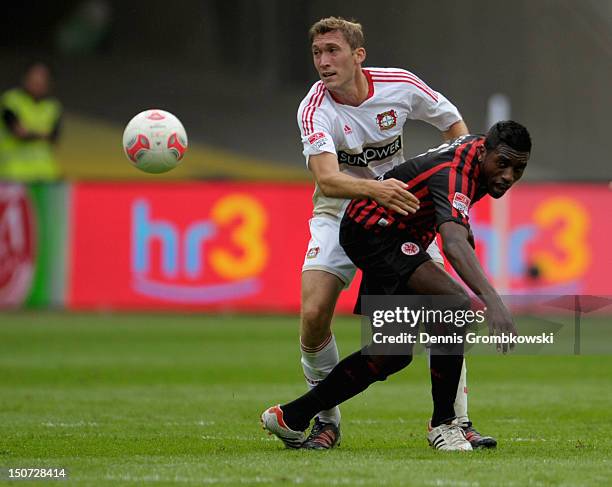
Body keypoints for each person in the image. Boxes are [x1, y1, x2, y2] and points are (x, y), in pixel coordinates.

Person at [262, 120, 532, 451]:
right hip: (374, 231)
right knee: (454, 304)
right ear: (484, 153)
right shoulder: (456, 172)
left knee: (392, 353)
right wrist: (494, 302)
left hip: (394, 233)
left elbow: (453, 223)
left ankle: (291, 416)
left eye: (518, 168)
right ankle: (445, 424)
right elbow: (453, 242)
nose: (508, 175)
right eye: (502, 164)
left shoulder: (477, 155)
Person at [292, 16, 493, 449]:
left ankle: (455, 422)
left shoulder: (399, 84)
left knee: (449, 308)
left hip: (404, 213)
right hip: (339, 211)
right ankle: (325, 421)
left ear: (358, 55)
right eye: (317, 53)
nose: (323, 62)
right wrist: (376, 190)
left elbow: (455, 126)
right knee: (312, 316)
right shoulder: (314, 108)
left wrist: (453, 188)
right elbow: (327, 179)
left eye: (333, 51)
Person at [0, 62, 62, 182]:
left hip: (45, 176)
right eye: (34, 80)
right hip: (14, 175)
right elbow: (19, 133)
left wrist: (30, 132)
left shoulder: (52, 107)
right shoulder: (11, 100)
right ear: (25, 79)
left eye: (42, 81)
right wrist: (42, 134)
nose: (38, 84)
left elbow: (54, 137)